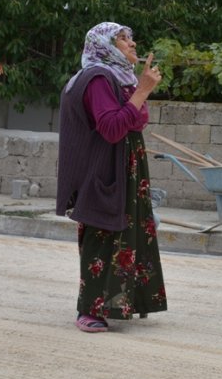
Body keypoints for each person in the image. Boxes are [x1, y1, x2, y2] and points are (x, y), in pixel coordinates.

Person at [56, 22, 167, 332]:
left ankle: (124, 303)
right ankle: (88, 310)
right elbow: (112, 128)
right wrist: (143, 90)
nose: (132, 43)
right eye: (122, 38)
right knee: (102, 232)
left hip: (125, 166)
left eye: (131, 37)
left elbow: (135, 119)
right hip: (104, 168)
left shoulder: (118, 78)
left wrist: (139, 89)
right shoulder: (98, 79)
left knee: (128, 234)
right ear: (104, 45)